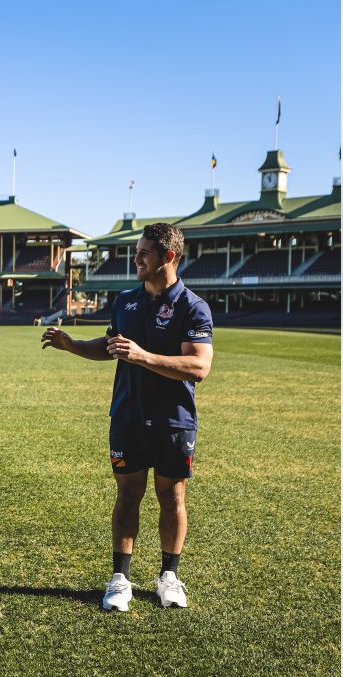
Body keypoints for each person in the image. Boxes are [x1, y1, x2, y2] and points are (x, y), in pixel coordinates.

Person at [40, 222, 213, 611]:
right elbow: (111, 346)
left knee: (172, 497)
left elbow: (199, 367)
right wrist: (72, 346)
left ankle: (169, 576)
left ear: (168, 256)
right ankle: (120, 579)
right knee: (127, 495)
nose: (136, 259)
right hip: (128, 416)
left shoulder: (192, 307)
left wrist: (143, 356)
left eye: (143, 253)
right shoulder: (125, 301)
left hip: (174, 421)